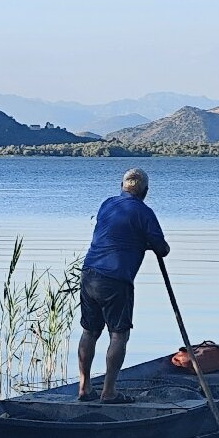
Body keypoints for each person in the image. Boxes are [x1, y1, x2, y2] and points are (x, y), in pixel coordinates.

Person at [78, 168, 170, 404]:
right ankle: (108, 392)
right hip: (115, 279)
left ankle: (84, 387)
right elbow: (162, 249)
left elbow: (114, 232)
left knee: (89, 331)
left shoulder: (107, 204)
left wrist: (138, 241)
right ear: (145, 192)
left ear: (121, 187)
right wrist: (148, 243)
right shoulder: (144, 212)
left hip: (89, 273)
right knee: (119, 335)